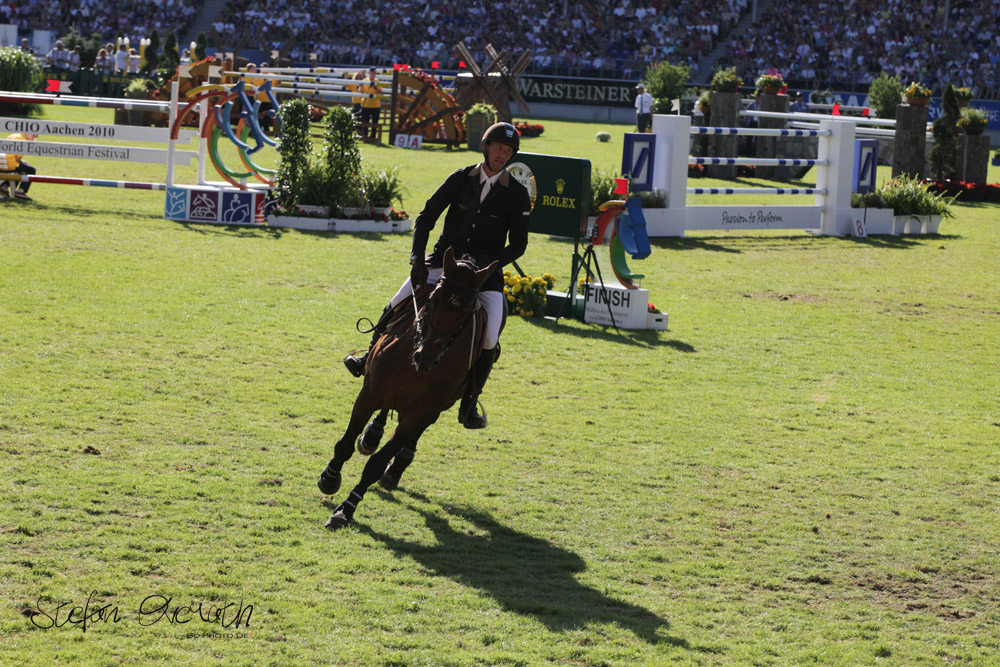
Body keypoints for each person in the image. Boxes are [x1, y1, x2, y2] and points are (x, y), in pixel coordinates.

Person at [343, 122, 531, 429]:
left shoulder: (517, 194)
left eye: (508, 151)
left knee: (490, 335)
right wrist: (417, 258)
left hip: (484, 277)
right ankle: (367, 358)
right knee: (396, 303)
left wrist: (485, 265)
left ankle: (469, 402)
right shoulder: (460, 179)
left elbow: (518, 245)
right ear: (486, 146)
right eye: (498, 147)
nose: (501, 154)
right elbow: (426, 217)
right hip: (443, 264)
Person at [0, 132, 39, 201]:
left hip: (1, 163)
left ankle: (4, 187)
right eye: (33, 136)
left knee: (21, 167)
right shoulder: (23, 141)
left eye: (35, 137)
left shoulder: (13, 135)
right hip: (9, 165)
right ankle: (21, 191)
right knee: (31, 170)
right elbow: (18, 159)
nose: (33, 138)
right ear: (27, 133)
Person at [358, 67, 381, 140]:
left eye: (374, 73)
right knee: (365, 121)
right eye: (372, 73)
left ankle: (373, 136)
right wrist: (361, 86)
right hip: (366, 104)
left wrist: (375, 87)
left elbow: (380, 92)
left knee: (375, 122)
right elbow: (360, 91)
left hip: (375, 105)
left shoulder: (377, 81)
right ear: (369, 73)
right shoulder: (365, 80)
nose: (373, 74)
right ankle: (365, 136)